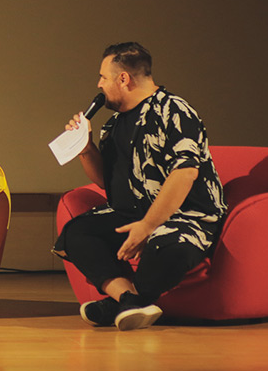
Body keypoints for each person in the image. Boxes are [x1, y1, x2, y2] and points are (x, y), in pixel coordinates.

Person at [54, 42, 227, 330]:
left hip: (184, 217)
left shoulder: (175, 111)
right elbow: (105, 181)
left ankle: (123, 303)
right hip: (131, 211)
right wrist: (85, 148)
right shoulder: (113, 125)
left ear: (123, 79)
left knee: (165, 246)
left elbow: (185, 174)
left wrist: (147, 226)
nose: (99, 84)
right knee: (77, 233)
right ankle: (130, 301)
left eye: (103, 77)